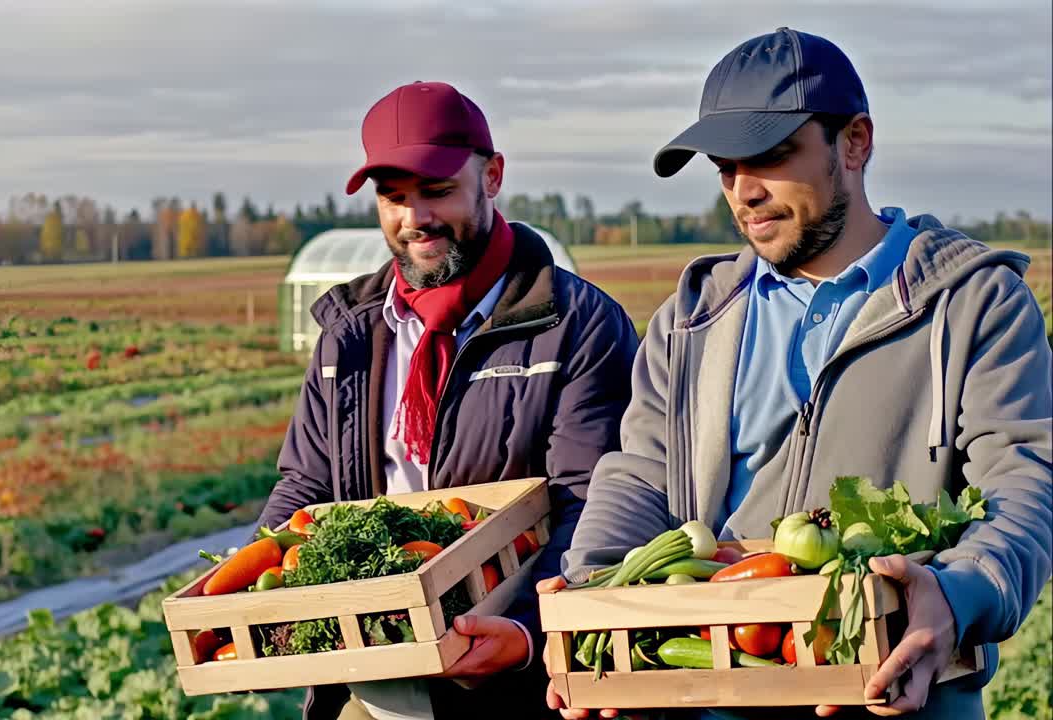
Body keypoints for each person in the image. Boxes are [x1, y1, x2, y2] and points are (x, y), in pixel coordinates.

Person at [543, 27, 1052, 720]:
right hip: (709, 696)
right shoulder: (691, 319)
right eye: (725, 168)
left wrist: (961, 593)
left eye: (772, 157)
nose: (744, 192)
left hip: (895, 693)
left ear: (855, 142)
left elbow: (1024, 482)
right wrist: (594, 591)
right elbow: (641, 473)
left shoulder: (973, 302)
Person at [257, 80, 640, 720]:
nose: (414, 219)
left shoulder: (577, 324)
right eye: (393, 198)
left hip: (513, 681)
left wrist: (526, 632)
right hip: (372, 674)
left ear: (492, 176)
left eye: (436, 191)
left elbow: (592, 501)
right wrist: (250, 600)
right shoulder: (349, 332)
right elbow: (306, 487)